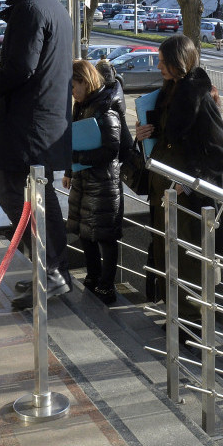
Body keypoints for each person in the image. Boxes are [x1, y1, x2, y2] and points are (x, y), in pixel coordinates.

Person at [0, 0, 74, 310]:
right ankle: (52, 271)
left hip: (28, 126)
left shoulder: (30, 9)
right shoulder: (49, 4)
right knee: (36, 199)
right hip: (44, 123)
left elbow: (21, 69)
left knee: (18, 198)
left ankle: (51, 271)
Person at [135, 35, 223, 320]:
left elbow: (220, 152)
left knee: (186, 262)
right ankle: (174, 318)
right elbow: (166, 138)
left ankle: (190, 326)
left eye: (164, 61)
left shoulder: (197, 97)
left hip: (186, 198)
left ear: (180, 62)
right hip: (163, 191)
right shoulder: (170, 92)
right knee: (167, 258)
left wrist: (188, 183)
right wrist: (143, 134)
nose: (159, 66)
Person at [63, 60, 125, 305]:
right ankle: (92, 277)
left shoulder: (106, 107)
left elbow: (112, 149)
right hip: (83, 179)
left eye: (74, 86)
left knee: (105, 237)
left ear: (85, 81)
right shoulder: (82, 105)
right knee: (85, 233)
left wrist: (79, 159)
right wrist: (71, 168)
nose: (72, 92)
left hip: (103, 183)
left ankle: (106, 286)